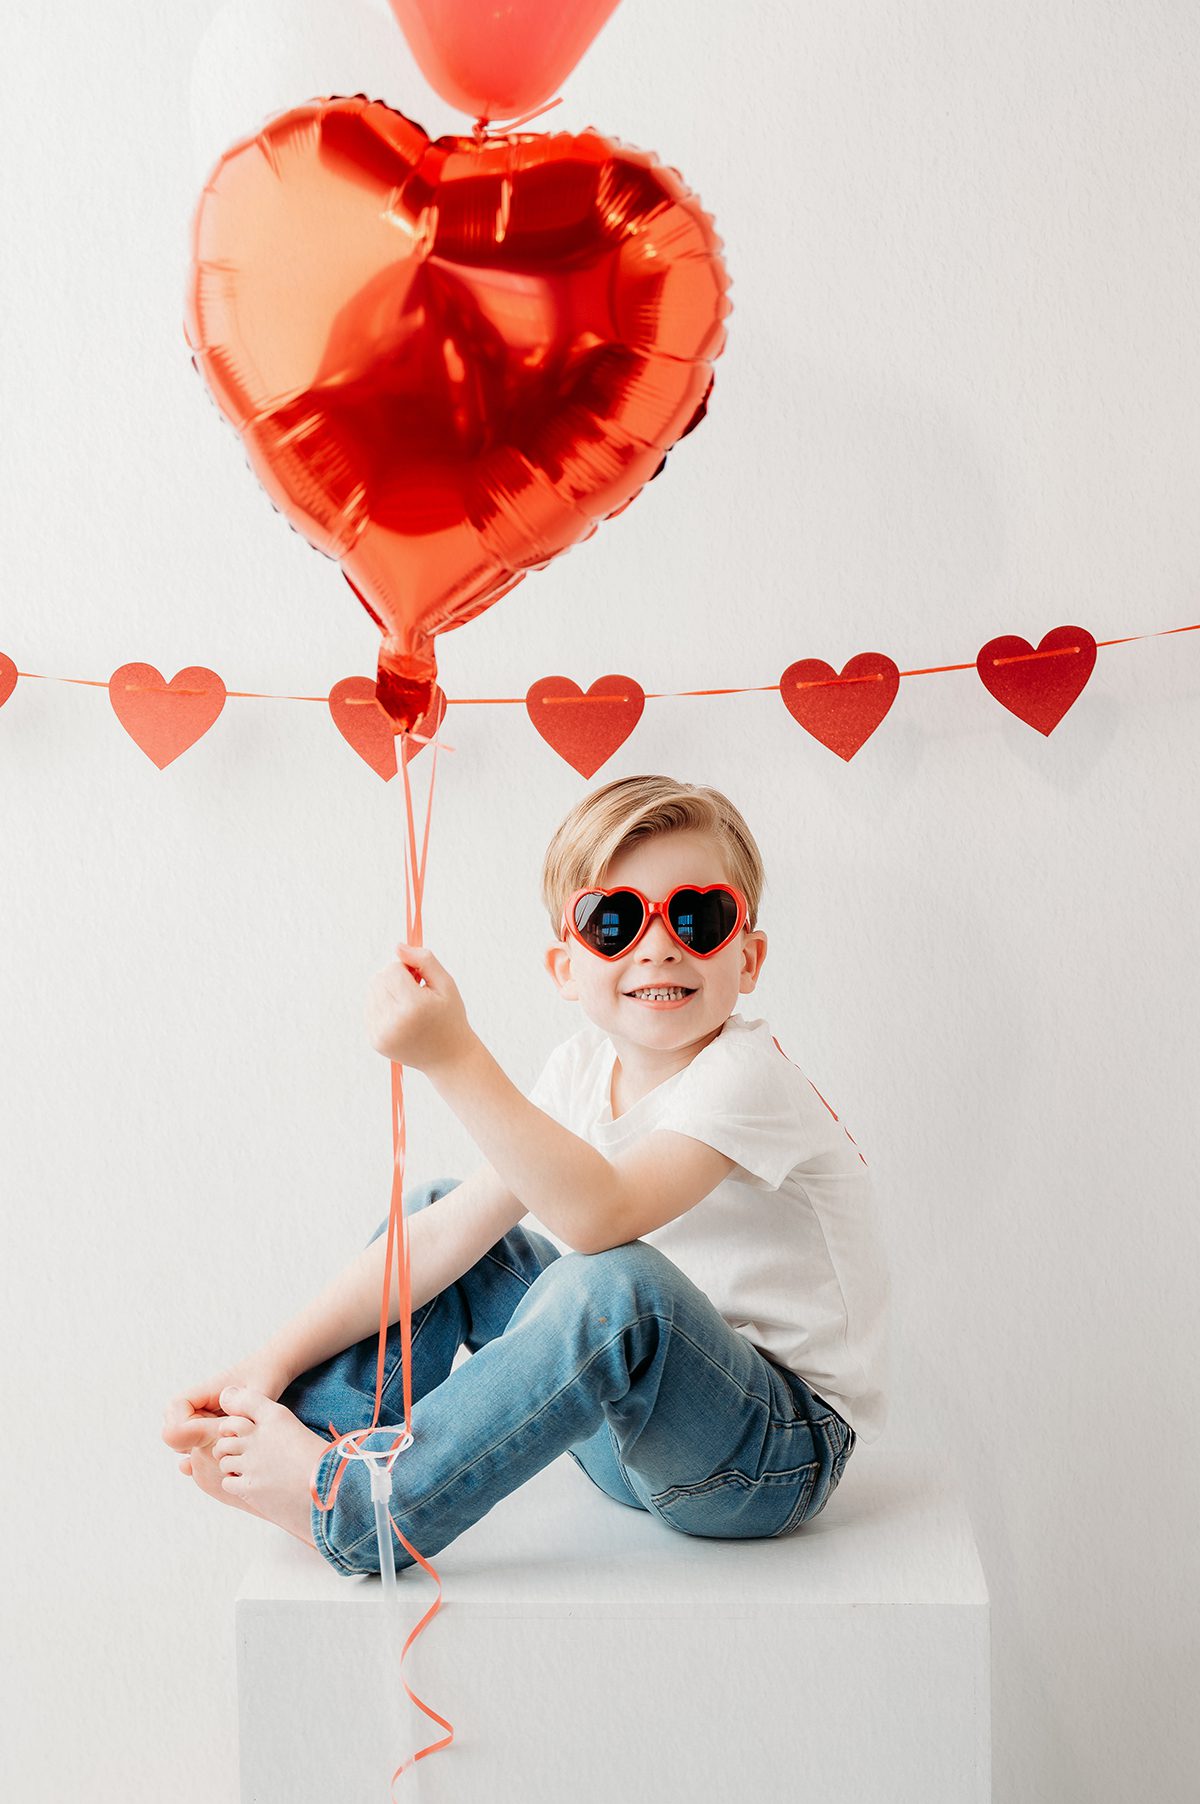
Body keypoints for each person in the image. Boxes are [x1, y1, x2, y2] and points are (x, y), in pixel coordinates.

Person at [161, 774, 891, 1572]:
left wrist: (453, 1056)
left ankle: (367, 1513)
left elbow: (602, 1219)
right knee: (446, 1214)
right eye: (614, 922)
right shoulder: (581, 1068)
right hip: (627, 1435)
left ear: (747, 958)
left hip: (767, 1457)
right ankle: (321, 1440)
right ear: (564, 968)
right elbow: (444, 1234)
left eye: (698, 916)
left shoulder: (746, 1075)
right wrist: (267, 1366)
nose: (658, 944)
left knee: (616, 1285)